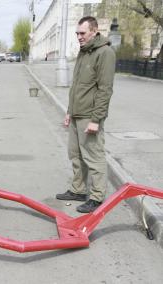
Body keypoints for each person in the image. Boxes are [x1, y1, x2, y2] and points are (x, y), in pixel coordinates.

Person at [56, 16, 116, 213]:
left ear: (94, 30)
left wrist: (96, 120)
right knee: (75, 155)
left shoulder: (105, 52)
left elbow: (104, 90)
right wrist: (69, 112)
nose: (79, 37)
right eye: (77, 33)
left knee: (94, 156)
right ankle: (78, 190)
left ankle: (97, 197)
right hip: (76, 114)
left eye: (82, 33)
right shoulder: (84, 52)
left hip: (90, 116)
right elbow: (78, 87)